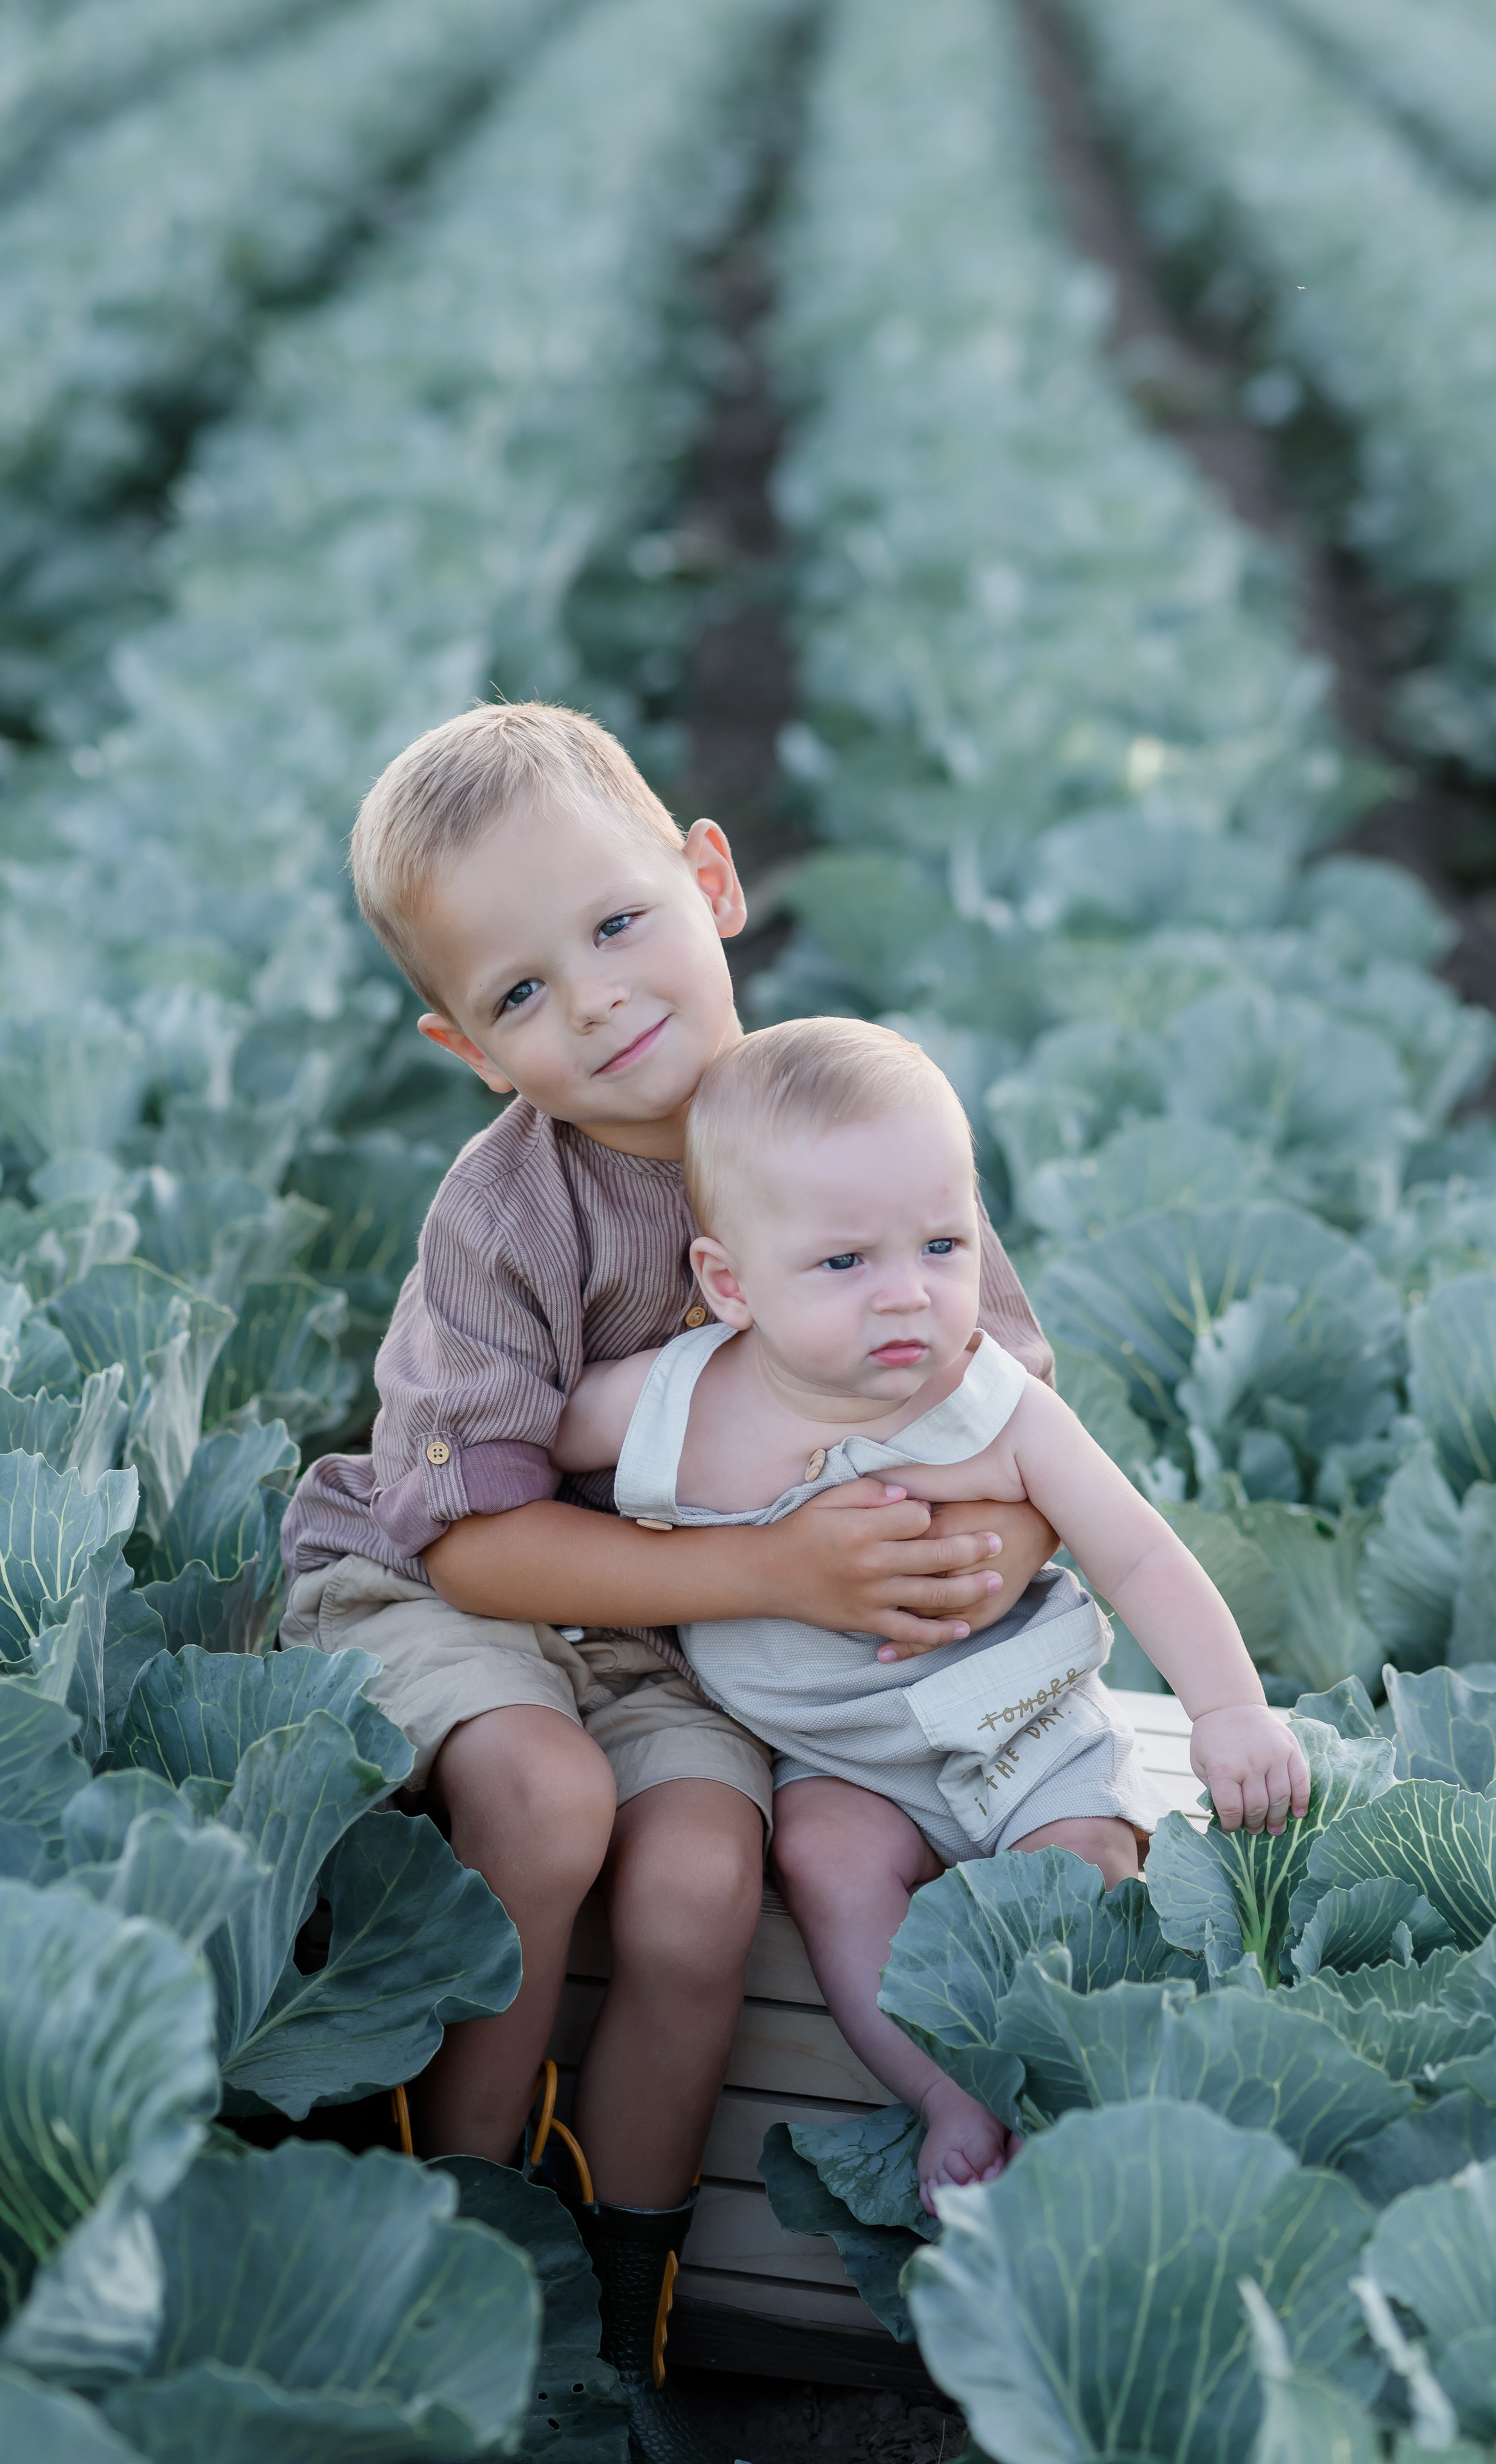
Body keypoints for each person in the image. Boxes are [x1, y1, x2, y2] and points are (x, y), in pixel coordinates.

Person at [278, 702, 1060, 2461]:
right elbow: (472, 1536)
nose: (602, 1001)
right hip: (450, 1591)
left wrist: (979, 1554)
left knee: (704, 1885)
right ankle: (461, 2235)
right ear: (467, 1048)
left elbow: (1011, 1416)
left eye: (619, 925)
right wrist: (786, 1558)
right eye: (524, 993)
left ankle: (618, 2299)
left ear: (710, 881)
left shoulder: (844, 1126)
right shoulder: (507, 1212)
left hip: (679, 1646)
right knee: (547, 1807)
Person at [552, 1015, 1313, 2215]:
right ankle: (943, 2089)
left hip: (1022, 1725)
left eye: (943, 1243)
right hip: (838, 1759)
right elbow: (524, 1436)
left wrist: (1227, 1711)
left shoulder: (999, 1409)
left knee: (1087, 1867)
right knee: (828, 1866)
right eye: (844, 1263)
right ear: (727, 1283)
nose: (906, 1295)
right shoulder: (675, 1406)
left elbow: (1144, 1554)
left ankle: (1076, 2103)